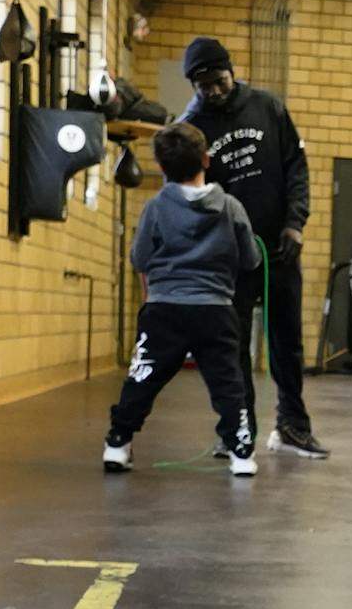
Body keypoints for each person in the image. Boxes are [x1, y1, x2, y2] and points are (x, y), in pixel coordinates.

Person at [180, 37, 330, 461]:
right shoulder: (192, 127)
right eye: (203, 85)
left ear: (232, 71)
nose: (213, 91)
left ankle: (293, 428)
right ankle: (237, 430)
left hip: (279, 247)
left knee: (287, 342)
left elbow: (296, 168)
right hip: (230, 258)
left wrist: (295, 224)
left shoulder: (268, 107)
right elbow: (187, 193)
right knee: (231, 347)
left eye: (219, 80)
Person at [103, 122, 261, 478]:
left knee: (142, 378)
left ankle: (117, 443)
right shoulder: (232, 208)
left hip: (164, 311)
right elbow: (251, 259)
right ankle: (241, 453)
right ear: (206, 159)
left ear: (160, 167)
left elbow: (139, 259)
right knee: (227, 383)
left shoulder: (156, 208)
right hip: (215, 311)